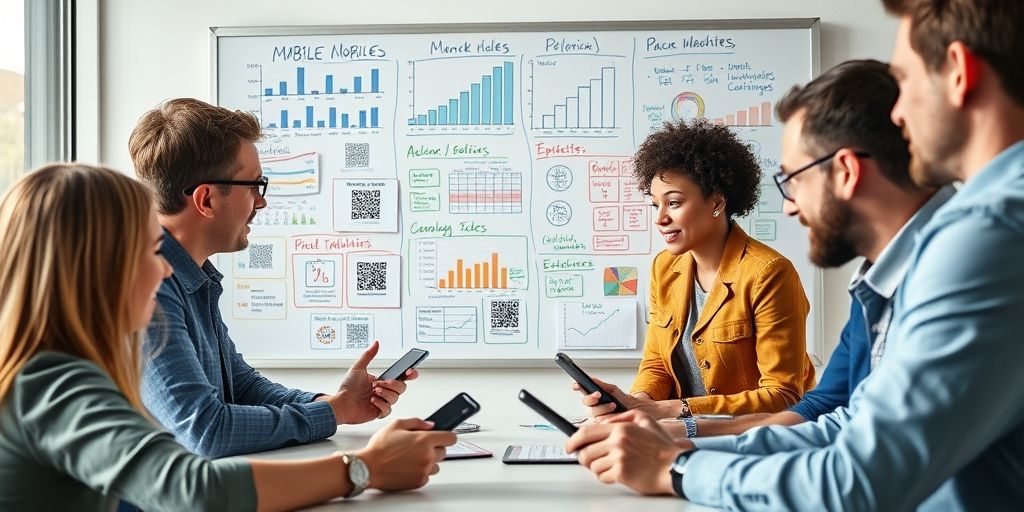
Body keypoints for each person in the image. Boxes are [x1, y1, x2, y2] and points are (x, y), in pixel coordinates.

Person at [566, 1, 1024, 508]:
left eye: (907, 80)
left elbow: (855, 475)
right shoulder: (897, 269)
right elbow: (839, 422)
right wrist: (675, 441)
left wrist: (676, 462)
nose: (898, 112)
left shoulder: (985, 238)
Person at [0, 164, 456, 511]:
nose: (162, 269)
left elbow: (239, 385)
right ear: (96, 268)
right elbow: (193, 486)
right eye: (147, 251)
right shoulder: (52, 383)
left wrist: (334, 405)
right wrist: (366, 468)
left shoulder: (59, 371)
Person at [663, 59, 953, 439]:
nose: (789, 205)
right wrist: (679, 434)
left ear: (846, 171)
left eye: (793, 180)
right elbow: (822, 409)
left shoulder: (952, 273)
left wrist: (681, 469)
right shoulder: (874, 282)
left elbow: (872, 461)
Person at [128, 98, 413, 458]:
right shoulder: (146, 285)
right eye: (254, 186)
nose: (261, 203)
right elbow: (205, 429)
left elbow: (240, 386)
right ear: (207, 200)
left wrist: (334, 402)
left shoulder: (191, 277)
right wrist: (334, 412)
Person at [578, 119, 816, 419]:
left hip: (753, 442)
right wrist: (633, 405)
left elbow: (782, 395)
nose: (660, 218)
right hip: (683, 435)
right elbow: (657, 365)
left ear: (716, 202)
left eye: (674, 203)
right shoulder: (665, 267)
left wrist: (673, 409)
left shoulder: (769, 273)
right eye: (655, 205)